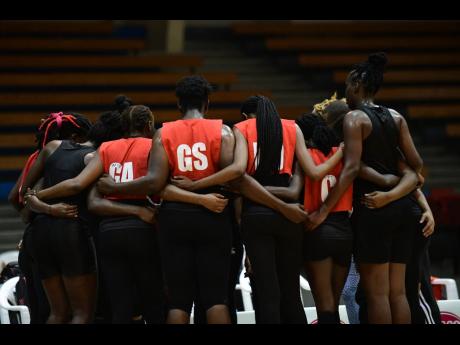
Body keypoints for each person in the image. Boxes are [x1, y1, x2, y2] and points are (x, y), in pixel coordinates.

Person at [23, 96, 228, 323]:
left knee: (120, 307)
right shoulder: (155, 145)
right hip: (144, 231)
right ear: (149, 126)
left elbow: (91, 200)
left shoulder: (105, 149)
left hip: (109, 233)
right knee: (155, 303)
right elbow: (160, 185)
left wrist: (37, 196)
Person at [306, 52, 424, 324]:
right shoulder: (396, 116)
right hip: (404, 209)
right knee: (398, 294)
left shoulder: (354, 118)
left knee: (377, 295)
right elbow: (416, 165)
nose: (346, 90)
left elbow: (350, 169)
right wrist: (391, 186)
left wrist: (323, 211)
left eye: (348, 84)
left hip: (373, 209)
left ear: (357, 84)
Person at [20, 112, 97, 324]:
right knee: (82, 313)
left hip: (39, 232)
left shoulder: (51, 147)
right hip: (70, 230)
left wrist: (44, 207)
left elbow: (23, 194)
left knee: (57, 313)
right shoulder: (94, 155)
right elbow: (77, 186)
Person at [295, 113, 353, 324]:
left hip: (317, 231)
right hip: (344, 232)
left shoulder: (304, 156)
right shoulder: (344, 153)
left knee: (324, 307)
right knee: (334, 306)